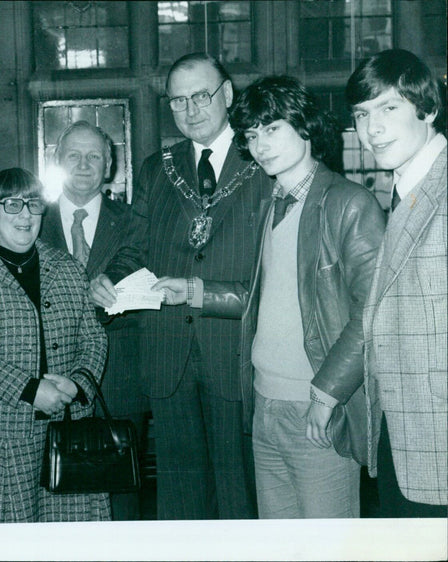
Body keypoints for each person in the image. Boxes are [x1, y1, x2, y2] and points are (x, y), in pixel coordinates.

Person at [155, 75, 386, 518]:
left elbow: (371, 313)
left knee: (326, 546)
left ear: (305, 128)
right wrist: (196, 291)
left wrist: (326, 396)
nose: (259, 144)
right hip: (264, 404)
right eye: (251, 134)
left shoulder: (348, 203)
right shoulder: (271, 202)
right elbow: (262, 297)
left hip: (316, 408)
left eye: (273, 128)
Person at [90, 52, 271, 520]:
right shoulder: (157, 168)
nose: (190, 110)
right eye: (178, 101)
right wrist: (109, 277)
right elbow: (135, 248)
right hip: (168, 354)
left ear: (227, 95)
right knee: (180, 500)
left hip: (237, 352)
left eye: (201, 96)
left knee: (240, 496)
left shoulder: (263, 159)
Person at [0, 167, 110, 523]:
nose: (25, 215)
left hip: (68, 431)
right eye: (12, 205)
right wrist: (31, 390)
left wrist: (79, 383)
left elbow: (93, 337)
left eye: (33, 205)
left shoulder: (66, 268)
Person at [347, 49, 447, 517]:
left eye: (389, 108)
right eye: (362, 114)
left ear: (427, 109)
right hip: (403, 431)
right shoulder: (405, 184)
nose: (372, 129)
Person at [40, 120, 148, 520]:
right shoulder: (30, 219)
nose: (84, 164)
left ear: (109, 165)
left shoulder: (135, 221)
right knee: (53, 494)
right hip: (46, 378)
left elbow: (132, 264)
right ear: (57, 162)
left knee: (120, 500)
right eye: (74, 155)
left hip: (118, 379)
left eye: (95, 156)